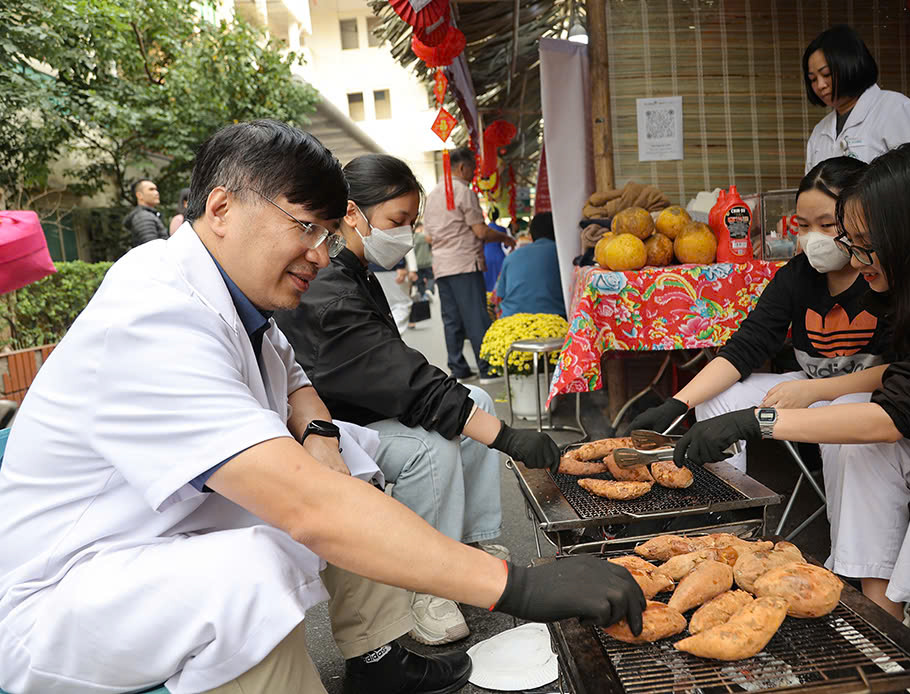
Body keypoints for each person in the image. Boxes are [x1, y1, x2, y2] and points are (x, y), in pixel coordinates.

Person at [0, 120, 645, 694]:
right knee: (245, 575)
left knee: (348, 460)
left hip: (162, 531)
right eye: (304, 226)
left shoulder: (239, 295)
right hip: (67, 591)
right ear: (221, 207)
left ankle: (378, 651)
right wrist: (518, 587)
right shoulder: (154, 314)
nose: (319, 251)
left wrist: (318, 434)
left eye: (328, 232)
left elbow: (292, 374)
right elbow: (310, 504)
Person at [673, 143, 910, 694]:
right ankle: (884, 623)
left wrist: (759, 422)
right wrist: (684, 404)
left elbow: (899, 413)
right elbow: (896, 378)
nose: (852, 255)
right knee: (856, 423)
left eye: (864, 245)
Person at [276, 153, 562, 647]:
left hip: (360, 406)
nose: (406, 235)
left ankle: (464, 546)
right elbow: (404, 379)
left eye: (411, 223)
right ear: (351, 213)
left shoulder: (356, 271)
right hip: (324, 425)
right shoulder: (332, 287)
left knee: (476, 400)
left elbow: (395, 368)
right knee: (430, 448)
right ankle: (423, 580)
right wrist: (510, 440)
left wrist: (482, 422)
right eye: (396, 222)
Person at [629, 157, 885, 472]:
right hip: (809, 385)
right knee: (718, 400)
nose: (813, 237)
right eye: (803, 226)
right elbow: (747, 346)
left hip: (869, 398)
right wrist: (678, 404)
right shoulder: (797, 275)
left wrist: (812, 390)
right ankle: (729, 505)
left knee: (846, 418)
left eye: (827, 225)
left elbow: (901, 368)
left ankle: (842, 521)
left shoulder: (882, 275)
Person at [424, 147, 515, 382]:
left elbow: (429, 237)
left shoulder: (433, 195)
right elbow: (480, 230)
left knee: (451, 318)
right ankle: (486, 369)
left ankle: (458, 369)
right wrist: (505, 237)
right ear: (462, 167)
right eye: (473, 170)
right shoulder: (463, 191)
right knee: (476, 316)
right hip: (464, 263)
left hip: (442, 266)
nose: (474, 175)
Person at [803, 25, 910, 172]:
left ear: (850, 65)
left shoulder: (896, 109)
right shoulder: (820, 131)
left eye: (826, 74)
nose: (820, 85)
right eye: (813, 79)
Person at [494, 211, 566, 318]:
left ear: (531, 235)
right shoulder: (564, 255)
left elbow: (499, 297)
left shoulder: (511, 257)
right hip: (555, 321)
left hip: (511, 322)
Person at [123, 177, 168, 247]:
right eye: (151, 189)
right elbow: (151, 248)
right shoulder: (143, 217)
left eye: (156, 189)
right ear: (139, 195)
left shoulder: (148, 214)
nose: (156, 193)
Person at [483, 207, 511, 292]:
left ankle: (489, 302)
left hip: (486, 256)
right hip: (499, 256)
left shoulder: (484, 229)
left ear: (488, 216)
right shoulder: (502, 229)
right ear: (498, 216)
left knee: (488, 282)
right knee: (500, 282)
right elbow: (506, 246)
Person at [411, 221, 435, 298]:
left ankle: (423, 296)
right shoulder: (426, 237)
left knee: (419, 280)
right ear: (421, 227)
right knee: (431, 277)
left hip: (417, 264)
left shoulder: (412, 238)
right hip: (428, 262)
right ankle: (428, 290)